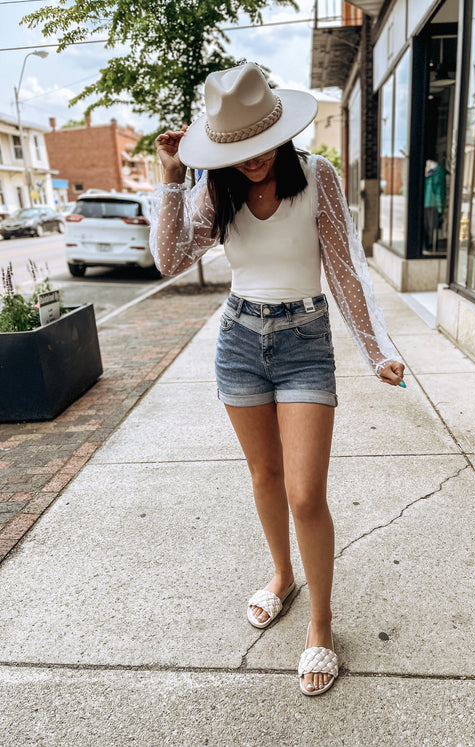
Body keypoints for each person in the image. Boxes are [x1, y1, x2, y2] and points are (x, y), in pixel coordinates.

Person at [150, 62, 405, 696]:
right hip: (239, 340)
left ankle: (320, 628)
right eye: (240, 150)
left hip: (303, 343)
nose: (255, 160)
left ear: (280, 131)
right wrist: (174, 177)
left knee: (304, 493)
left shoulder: (318, 176)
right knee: (263, 476)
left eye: (262, 144)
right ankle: (281, 575)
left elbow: (344, 270)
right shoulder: (217, 188)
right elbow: (169, 259)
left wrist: (377, 350)